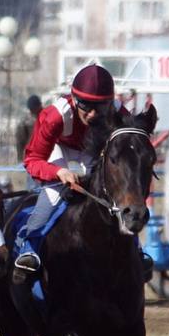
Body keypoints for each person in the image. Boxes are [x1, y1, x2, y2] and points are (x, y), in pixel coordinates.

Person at [12, 64, 116, 282]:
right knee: (51, 197)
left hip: (91, 151)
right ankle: (28, 247)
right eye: (86, 106)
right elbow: (32, 160)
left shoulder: (118, 113)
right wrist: (59, 172)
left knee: (115, 196)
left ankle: (136, 248)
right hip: (59, 149)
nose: (93, 114)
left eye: (101, 107)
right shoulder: (54, 116)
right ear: (75, 100)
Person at [14, 94, 43, 160]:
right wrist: (20, 159)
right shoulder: (26, 121)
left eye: (34, 108)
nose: (32, 110)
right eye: (31, 109)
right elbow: (20, 141)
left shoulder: (47, 117)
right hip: (32, 154)